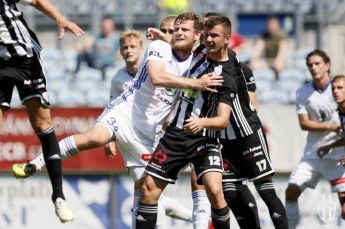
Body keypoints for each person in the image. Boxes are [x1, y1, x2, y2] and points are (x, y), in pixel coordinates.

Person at [12, 11, 221, 227]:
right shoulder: (158, 48)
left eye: (183, 30)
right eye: (175, 29)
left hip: (146, 133)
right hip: (125, 113)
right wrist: (195, 83)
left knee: (149, 193)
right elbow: (158, 78)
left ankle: (197, 221)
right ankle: (34, 164)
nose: (177, 33)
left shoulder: (195, 62)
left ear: (196, 35)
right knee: (94, 137)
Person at [135, 15, 244, 229]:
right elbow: (182, 43)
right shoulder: (197, 55)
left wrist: (203, 122)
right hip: (175, 135)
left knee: (214, 189)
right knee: (148, 190)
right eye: (207, 35)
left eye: (214, 35)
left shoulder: (228, 74)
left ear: (227, 40)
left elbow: (222, 120)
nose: (209, 39)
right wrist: (163, 37)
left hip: (205, 138)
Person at [1, 0, 84, 223]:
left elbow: (36, 0)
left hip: (25, 59)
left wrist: (61, 19)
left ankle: (58, 196)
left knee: (42, 125)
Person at [106, 28, 193, 227]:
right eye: (124, 47)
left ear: (141, 49)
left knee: (149, 192)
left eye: (132, 46)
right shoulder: (118, 79)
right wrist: (110, 138)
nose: (128, 51)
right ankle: (201, 221)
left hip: (159, 136)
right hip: (136, 137)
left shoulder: (160, 67)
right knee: (147, 190)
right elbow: (112, 106)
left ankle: (201, 220)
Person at [284, 50, 345, 228]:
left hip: (338, 157)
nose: (313, 67)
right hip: (313, 154)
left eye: (317, 63)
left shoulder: (340, 88)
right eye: (310, 64)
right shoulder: (303, 92)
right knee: (291, 191)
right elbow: (304, 123)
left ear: (327, 65)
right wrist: (330, 127)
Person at [75, 16, 120, 80]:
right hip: (94, 64)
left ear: (112, 25)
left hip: (108, 66)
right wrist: (83, 46)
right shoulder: (97, 37)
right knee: (81, 55)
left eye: (108, 24)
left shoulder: (116, 39)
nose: (105, 26)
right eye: (104, 24)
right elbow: (81, 45)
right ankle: (76, 75)